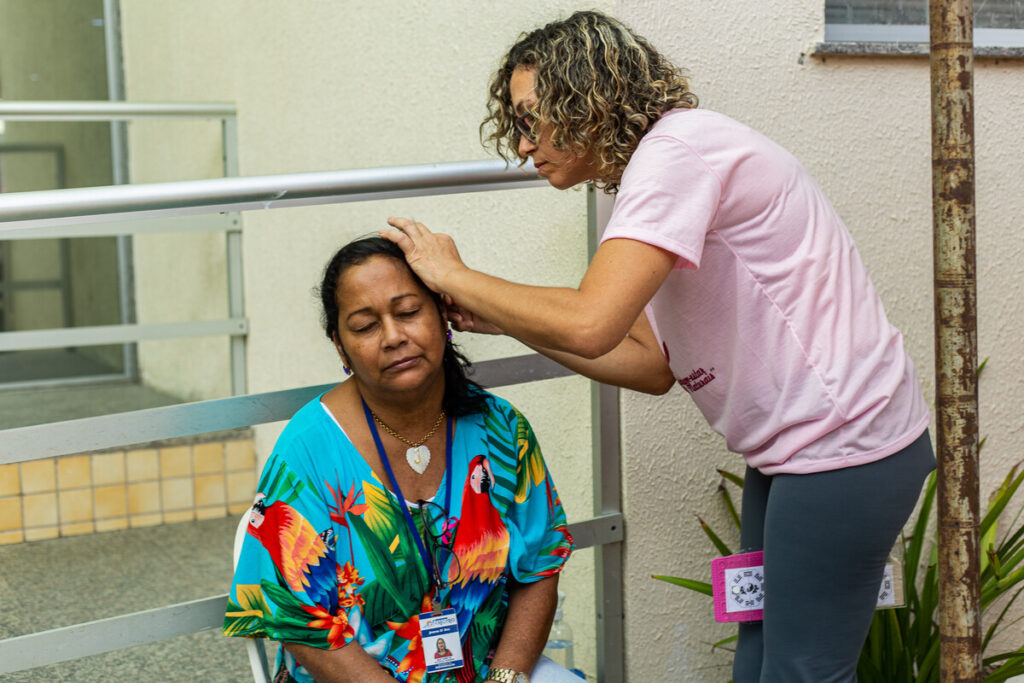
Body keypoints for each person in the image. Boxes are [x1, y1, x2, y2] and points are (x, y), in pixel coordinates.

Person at [382, 10, 935, 683]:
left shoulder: (677, 158)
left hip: (844, 448)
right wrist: (503, 317)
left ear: (583, 97)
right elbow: (647, 363)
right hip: (795, 452)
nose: (523, 143)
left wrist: (456, 274)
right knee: (762, 659)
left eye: (531, 119)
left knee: (802, 671)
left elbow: (591, 322)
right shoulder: (654, 177)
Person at [223, 237, 579, 683]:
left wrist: (506, 677)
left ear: (443, 317)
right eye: (366, 326)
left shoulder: (501, 429)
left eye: (409, 312)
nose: (394, 337)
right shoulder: (308, 449)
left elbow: (540, 566)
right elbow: (296, 621)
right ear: (340, 347)